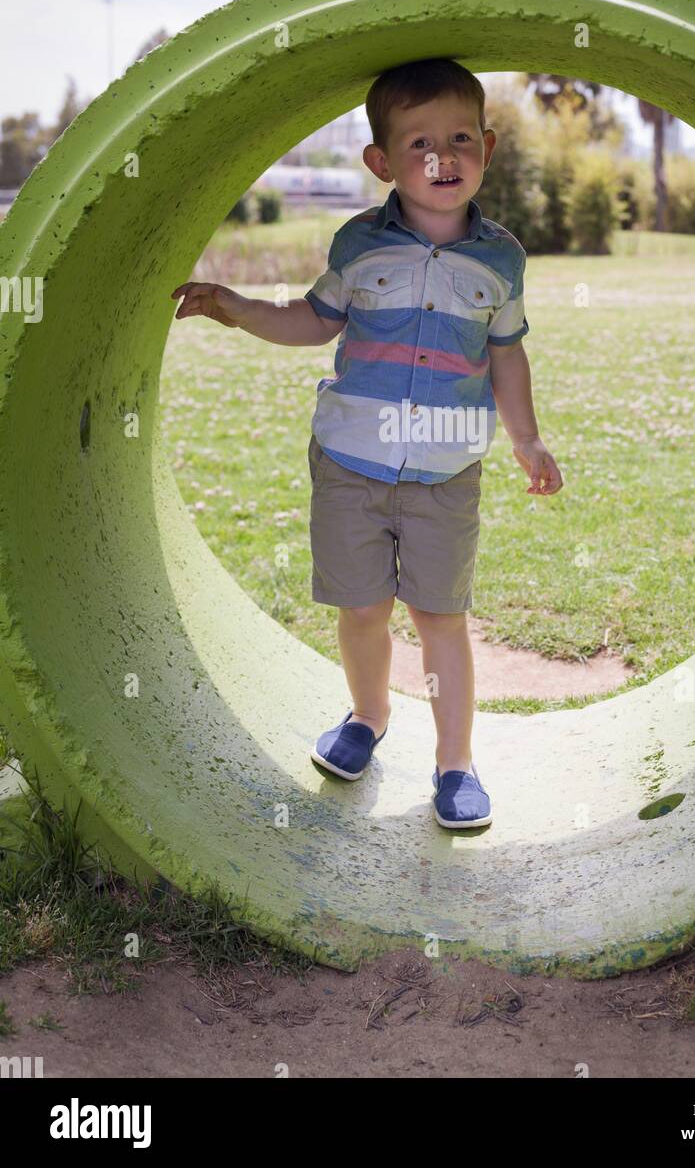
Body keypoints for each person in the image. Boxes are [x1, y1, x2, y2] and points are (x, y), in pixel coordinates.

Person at [171, 57, 563, 829]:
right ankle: (366, 716)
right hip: (350, 461)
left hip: (445, 470)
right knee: (360, 608)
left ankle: (455, 764)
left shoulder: (501, 258)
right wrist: (240, 308)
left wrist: (527, 439)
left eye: (458, 139)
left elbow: (508, 352)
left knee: (440, 617)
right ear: (382, 162)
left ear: (487, 145)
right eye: (418, 144)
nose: (441, 159)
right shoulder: (359, 244)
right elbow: (316, 321)